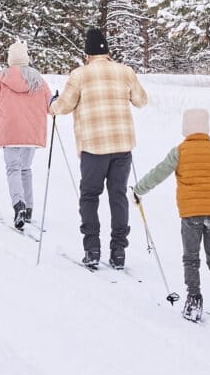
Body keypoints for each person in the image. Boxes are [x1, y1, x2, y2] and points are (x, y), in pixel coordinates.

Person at [135, 106, 210, 322]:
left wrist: (138, 190)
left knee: (191, 258)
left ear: (185, 129)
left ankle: (193, 302)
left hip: (190, 215)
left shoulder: (179, 151)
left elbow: (158, 173)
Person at [53, 25, 148, 271]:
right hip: (122, 145)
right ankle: (118, 252)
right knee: (118, 196)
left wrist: (52, 105)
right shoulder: (125, 71)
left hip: (93, 146)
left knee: (90, 195)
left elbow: (63, 107)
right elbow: (141, 101)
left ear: (87, 54)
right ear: (107, 52)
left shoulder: (80, 75)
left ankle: (92, 248)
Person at [0, 39, 52, 231]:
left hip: (10, 131)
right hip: (31, 133)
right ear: (25, 59)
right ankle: (29, 208)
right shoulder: (38, 80)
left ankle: (19, 205)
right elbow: (51, 106)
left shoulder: (1, 79)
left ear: (10, 59)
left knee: (13, 170)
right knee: (25, 169)